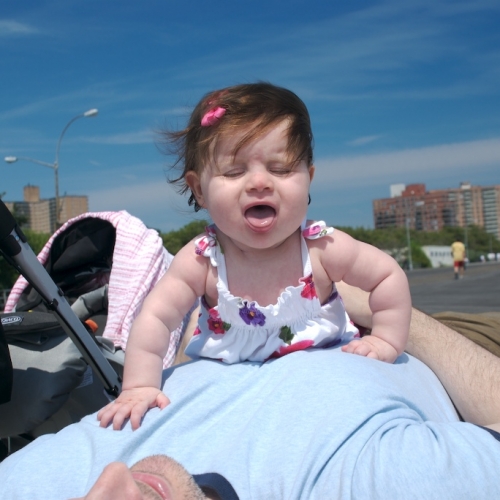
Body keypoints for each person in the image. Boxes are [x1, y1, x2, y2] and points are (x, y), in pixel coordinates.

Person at [97, 83, 411, 431]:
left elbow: (387, 277)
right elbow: (155, 318)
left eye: (280, 169)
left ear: (308, 179)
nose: (259, 182)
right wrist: (139, 386)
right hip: (229, 394)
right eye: (234, 172)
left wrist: (385, 339)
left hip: (323, 389)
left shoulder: (321, 247)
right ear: (200, 189)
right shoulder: (203, 260)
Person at [2, 285, 500, 498]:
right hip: (449, 347)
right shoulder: (367, 483)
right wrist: (374, 312)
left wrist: (196, 350)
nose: (111, 482)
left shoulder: (30, 483)